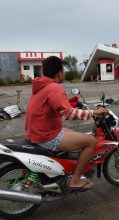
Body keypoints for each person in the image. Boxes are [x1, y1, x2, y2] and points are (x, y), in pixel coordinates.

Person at [25, 56, 108, 190]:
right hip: (46, 136)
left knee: (73, 133)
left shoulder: (41, 86)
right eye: (63, 70)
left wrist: (71, 103)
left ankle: (69, 167)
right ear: (59, 72)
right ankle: (75, 181)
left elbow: (54, 107)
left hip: (36, 133)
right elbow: (69, 114)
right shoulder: (54, 88)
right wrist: (95, 112)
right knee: (91, 141)